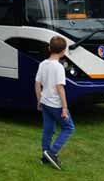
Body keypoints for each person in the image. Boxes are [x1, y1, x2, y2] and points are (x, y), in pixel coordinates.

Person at [35, 36, 74, 170]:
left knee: (48, 130)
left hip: (45, 102)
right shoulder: (59, 67)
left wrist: (39, 100)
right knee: (69, 128)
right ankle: (52, 153)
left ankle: (44, 158)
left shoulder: (42, 64)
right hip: (56, 105)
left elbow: (37, 83)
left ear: (49, 49)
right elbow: (60, 88)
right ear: (63, 51)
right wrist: (64, 108)